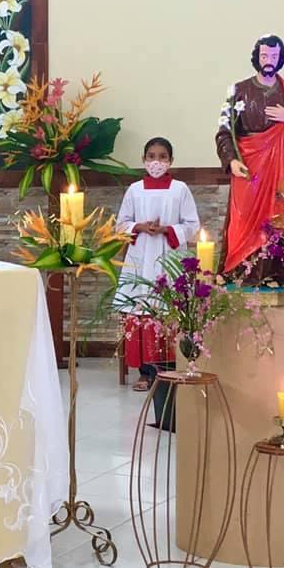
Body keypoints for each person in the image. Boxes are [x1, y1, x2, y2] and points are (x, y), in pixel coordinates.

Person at [215, 34, 284, 280]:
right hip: (248, 169)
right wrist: (232, 160)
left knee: (275, 220)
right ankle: (239, 275)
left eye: (274, 56)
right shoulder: (239, 90)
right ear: (256, 57)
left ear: (280, 59)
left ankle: (271, 277)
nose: (269, 61)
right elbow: (225, 131)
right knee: (243, 224)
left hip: (278, 169)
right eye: (265, 56)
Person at [114, 137, 201, 391]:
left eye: (162, 156)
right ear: (143, 160)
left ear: (171, 161)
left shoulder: (180, 189)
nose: (156, 161)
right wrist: (139, 226)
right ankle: (145, 372)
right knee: (141, 310)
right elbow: (120, 225)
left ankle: (167, 370)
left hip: (169, 260)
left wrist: (166, 229)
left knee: (167, 311)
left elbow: (193, 226)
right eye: (151, 156)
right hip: (141, 256)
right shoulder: (134, 190)